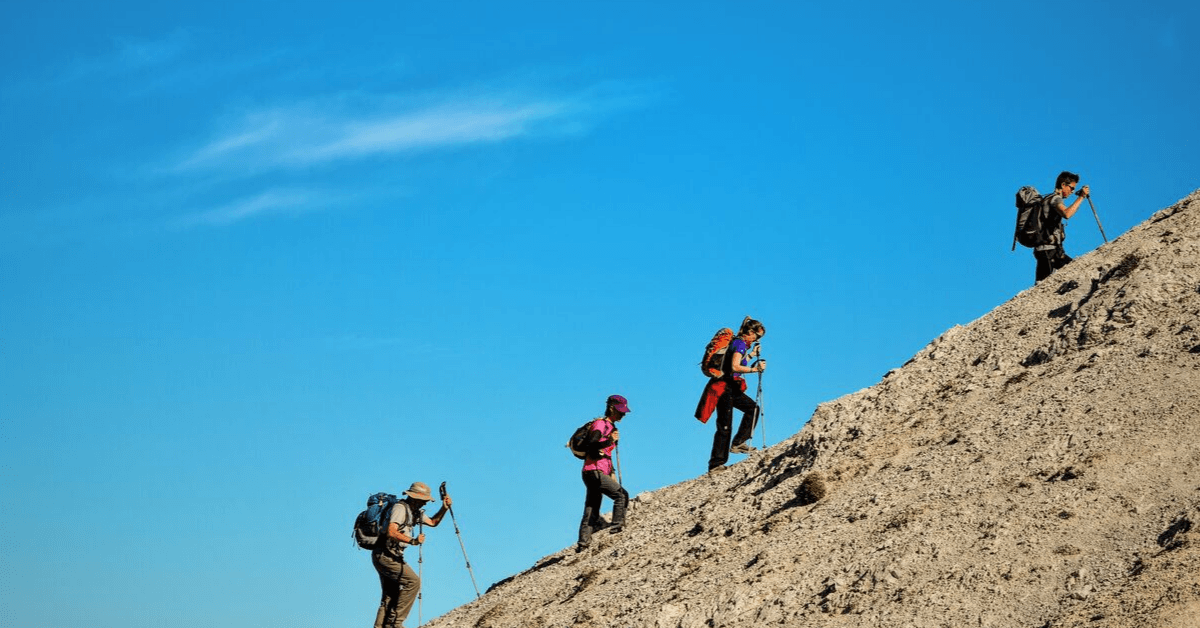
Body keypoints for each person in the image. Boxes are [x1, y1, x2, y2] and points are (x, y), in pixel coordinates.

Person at [372, 482, 452, 628]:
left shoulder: (414, 511)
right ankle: (396, 623)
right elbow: (391, 531)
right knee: (413, 582)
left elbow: (433, 522)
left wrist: (444, 508)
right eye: (424, 500)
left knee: (390, 595)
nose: (426, 503)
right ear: (415, 498)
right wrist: (412, 540)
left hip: (387, 555)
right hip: (386, 554)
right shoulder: (400, 508)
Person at [708, 318, 766, 472]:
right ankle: (716, 464)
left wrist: (752, 355)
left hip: (729, 386)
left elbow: (737, 365)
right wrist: (755, 369)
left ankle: (738, 443)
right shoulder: (740, 344)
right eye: (757, 336)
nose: (757, 340)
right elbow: (735, 367)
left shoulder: (738, 343)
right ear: (751, 332)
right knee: (725, 425)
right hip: (724, 387)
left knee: (752, 409)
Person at [577, 394, 631, 552]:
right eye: (621, 411)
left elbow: (605, 453)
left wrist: (611, 472)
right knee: (622, 495)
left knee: (592, 507)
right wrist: (610, 440)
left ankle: (583, 543)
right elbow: (592, 445)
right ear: (612, 408)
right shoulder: (601, 425)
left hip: (591, 471)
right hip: (594, 470)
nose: (624, 414)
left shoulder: (610, 427)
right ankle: (617, 529)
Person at [1034, 171, 1091, 283]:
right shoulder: (1055, 199)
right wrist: (1081, 197)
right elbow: (1067, 214)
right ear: (1063, 185)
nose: (1072, 191)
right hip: (1049, 252)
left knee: (1041, 286)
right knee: (1078, 272)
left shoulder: (1047, 199)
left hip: (1047, 251)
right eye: (1071, 188)